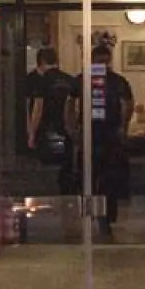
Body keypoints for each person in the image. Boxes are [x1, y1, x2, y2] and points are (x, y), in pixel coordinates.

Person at [71, 43, 134, 240]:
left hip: (98, 134)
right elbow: (127, 105)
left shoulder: (84, 79)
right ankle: (101, 217)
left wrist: (73, 128)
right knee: (102, 178)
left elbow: (70, 105)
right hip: (103, 134)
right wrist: (123, 128)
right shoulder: (116, 81)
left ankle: (96, 217)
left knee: (94, 178)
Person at [23, 45, 76, 177]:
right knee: (65, 167)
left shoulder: (40, 81)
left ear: (40, 62)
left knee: (44, 172)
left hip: (45, 129)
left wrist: (31, 133)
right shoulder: (69, 80)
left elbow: (37, 109)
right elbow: (74, 106)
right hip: (67, 130)